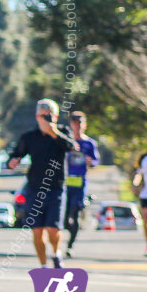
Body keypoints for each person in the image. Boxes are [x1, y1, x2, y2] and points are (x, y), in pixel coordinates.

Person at [7, 100, 79, 269]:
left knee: (53, 229)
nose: (46, 119)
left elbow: (71, 147)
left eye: (50, 115)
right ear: (36, 117)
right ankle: (44, 266)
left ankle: (56, 253)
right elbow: (15, 154)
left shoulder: (62, 132)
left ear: (55, 116)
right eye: (43, 115)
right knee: (37, 231)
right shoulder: (29, 137)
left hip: (56, 188)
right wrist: (12, 161)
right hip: (34, 189)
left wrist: (54, 132)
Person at [63, 111, 99, 258]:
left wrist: (91, 161)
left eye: (80, 124)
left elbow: (96, 162)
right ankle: (66, 231)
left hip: (80, 182)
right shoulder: (65, 141)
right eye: (74, 124)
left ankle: (70, 245)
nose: (77, 127)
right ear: (71, 125)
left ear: (84, 125)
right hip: (65, 182)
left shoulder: (89, 143)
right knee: (64, 217)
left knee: (75, 212)